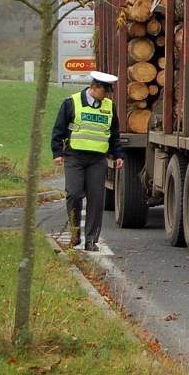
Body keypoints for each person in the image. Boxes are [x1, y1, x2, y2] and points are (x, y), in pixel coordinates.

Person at [51, 71, 123, 251]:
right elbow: (58, 129)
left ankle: (91, 240)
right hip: (74, 157)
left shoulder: (109, 107)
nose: (106, 95)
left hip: (98, 160)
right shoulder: (71, 102)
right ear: (94, 87)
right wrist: (57, 152)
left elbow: (114, 134)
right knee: (74, 194)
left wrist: (118, 155)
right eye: (105, 91)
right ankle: (75, 234)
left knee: (96, 199)